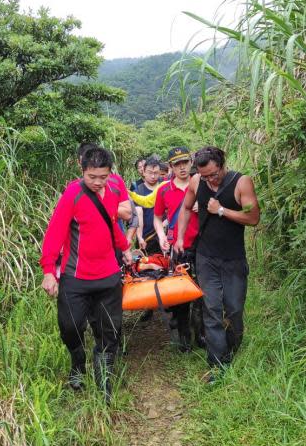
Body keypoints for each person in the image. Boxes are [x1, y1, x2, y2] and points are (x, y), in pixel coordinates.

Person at [41, 146, 133, 401]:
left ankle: (104, 382)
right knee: (69, 326)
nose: (97, 182)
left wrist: (124, 248)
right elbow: (55, 232)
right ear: (82, 170)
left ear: (110, 173)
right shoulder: (73, 193)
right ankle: (78, 362)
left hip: (108, 276)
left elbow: (111, 223)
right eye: (92, 176)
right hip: (76, 276)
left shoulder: (114, 188)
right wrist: (49, 271)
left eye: (102, 177)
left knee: (109, 330)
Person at [174, 146, 260, 378]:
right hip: (206, 257)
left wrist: (221, 210)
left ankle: (230, 349)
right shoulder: (195, 182)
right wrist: (180, 236)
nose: (210, 180)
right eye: (205, 176)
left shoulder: (241, 182)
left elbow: (253, 218)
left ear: (223, 165)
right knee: (211, 309)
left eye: (214, 174)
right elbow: (184, 208)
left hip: (233, 258)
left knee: (234, 310)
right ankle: (217, 364)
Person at [153, 146, 200, 351]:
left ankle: (202, 334)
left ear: (191, 163)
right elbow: (157, 217)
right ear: (171, 167)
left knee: (203, 292)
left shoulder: (201, 184)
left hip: (203, 245)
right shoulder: (164, 189)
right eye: (177, 164)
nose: (182, 168)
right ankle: (183, 335)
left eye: (185, 163)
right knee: (181, 294)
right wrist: (162, 236)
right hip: (178, 248)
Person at [135, 156, 163, 255]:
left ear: (160, 173)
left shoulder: (164, 188)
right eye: (150, 173)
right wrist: (139, 237)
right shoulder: (139, 191)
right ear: (144, 172)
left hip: (164, 237)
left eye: (155, 173)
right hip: (146, 239)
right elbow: (138, 215)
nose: (153, 176)